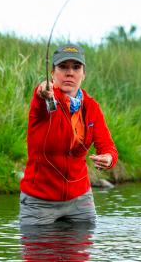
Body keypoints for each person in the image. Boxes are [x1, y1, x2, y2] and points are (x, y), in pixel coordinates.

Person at [19, 43, 118, 226]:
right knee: (39, 253)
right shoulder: (46, 98)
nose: (69, 72)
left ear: (83, 74)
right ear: (52, 73)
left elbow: (109, 148)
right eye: (63, 67)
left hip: (79, 199)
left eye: (76, 67)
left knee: (81, 253)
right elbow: (40, 96)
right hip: (39, 201)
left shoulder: (91, 107)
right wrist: (43, 92)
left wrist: (108, 158)